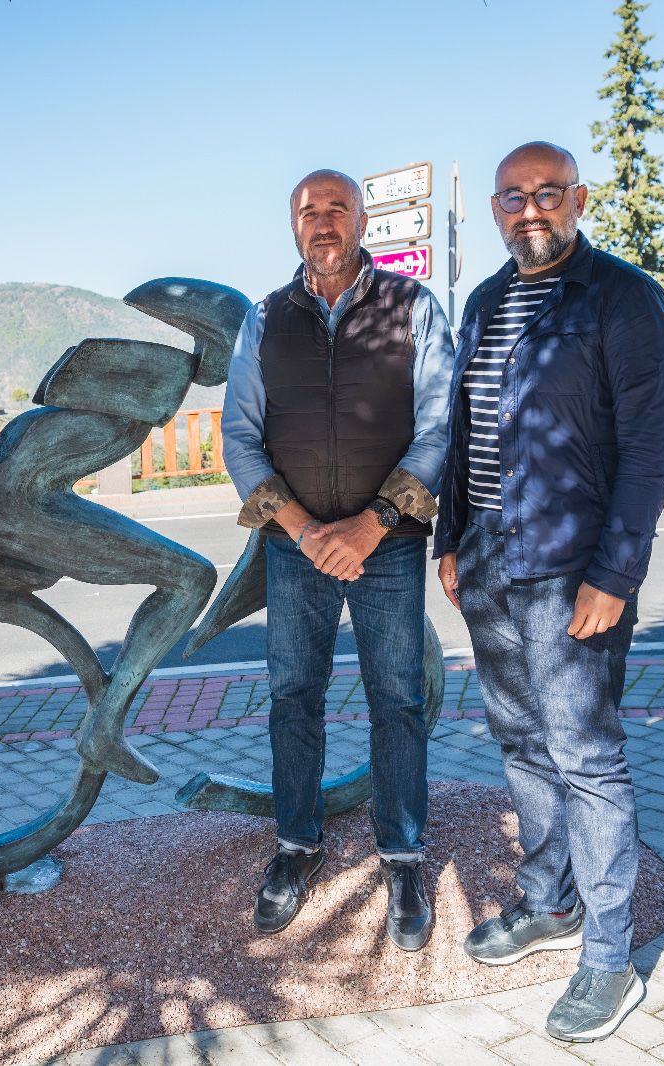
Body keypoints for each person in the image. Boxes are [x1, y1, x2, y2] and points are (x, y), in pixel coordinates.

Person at [435, 142, 664, 1042]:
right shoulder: (486, 300)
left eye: (548, 193)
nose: (530, 210)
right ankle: (549, 904)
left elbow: (656, 449)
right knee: (519, 742)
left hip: (574, 566)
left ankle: (609, 961)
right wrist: (449, 539)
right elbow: (467, 427)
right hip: (489, 557)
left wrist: (615, 575)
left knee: (585, 755)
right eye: (513, 197)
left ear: (577, 198)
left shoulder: (622, 299)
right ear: (496, 210)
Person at [222, 169, 454, 952]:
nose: (322, 222)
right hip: (295, 548)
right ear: (293, 227)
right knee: (294, 698)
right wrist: (303, 527)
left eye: (336, 209)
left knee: (397, 699)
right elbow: (240, 436)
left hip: (386, 548)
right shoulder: (263, 320)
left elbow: (437, 425)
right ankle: (296, 846)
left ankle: (403, 857)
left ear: (363, 221)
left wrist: (373, 522)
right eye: (307, 212)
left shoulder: (413, 308)